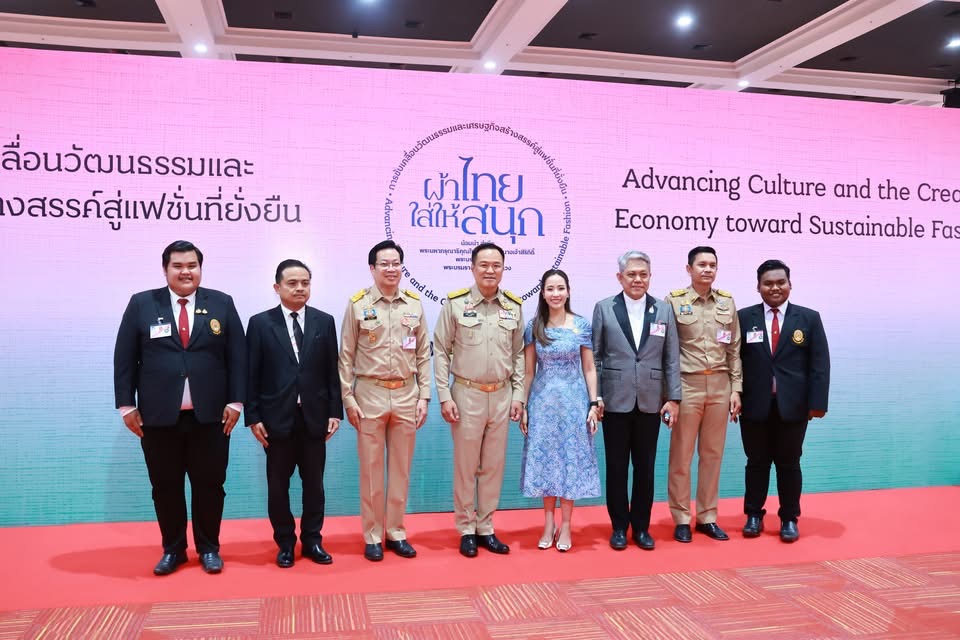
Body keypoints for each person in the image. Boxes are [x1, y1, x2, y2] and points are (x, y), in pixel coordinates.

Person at [114, 240, 245, 576]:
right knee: (165, 486)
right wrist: (126, 405)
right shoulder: (142, 304)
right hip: (159, 417)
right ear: (165, 269)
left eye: (192, 265)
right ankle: (173, 550)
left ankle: (209, 548)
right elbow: (125, 358)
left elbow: (238, 357)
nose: (186, 272)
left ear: (200, 268)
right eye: (178, 266)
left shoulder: (222, 303)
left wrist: (236, 401)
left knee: (210, 485)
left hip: (211, 416)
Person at [245, 259, 342, 568]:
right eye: (292, 283)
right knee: (278, 486)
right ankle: (285, 542)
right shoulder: (260, 323)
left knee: (315, 485)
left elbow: (332, 371)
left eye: (305, 283)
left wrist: (335, 411)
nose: (300, 288)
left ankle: (312, 540)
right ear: (277, 287)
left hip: (314, 417)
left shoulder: (324, 321)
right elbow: (251, 374)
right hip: (276, 420)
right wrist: (253, 417)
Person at [339, 240, 431, 562]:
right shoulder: (358, 305)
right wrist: (348, 398)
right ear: (372, 268)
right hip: (370, 393)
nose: (391, 269)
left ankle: (396, 531)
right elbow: (346, 355)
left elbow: (423, 354)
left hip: (407, 393)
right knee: (371, 470)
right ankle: (373, 535)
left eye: (396, 263)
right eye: (384, 264)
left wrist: (424, 396)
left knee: (401, 469)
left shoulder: (414, 304)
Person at [434, 242, 525, 558]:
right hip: (467, 394)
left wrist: (518, 395)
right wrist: (444, 395)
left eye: (496, 265)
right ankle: (466, 529)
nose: (490, 270)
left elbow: (518, 354)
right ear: (472, 268)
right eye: (484, 265)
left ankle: (485, 527)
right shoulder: (455, 304)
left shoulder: (513, 306)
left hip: (501, 395)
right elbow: (441, 351)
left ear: (503, 269)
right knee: (466, 466)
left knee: (493, 467)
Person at [593, 251, 681, 551]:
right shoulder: (604, 308)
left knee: (645, 468)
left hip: (650, 401)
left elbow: (671, 358)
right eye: (631, 274)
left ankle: (641, 527)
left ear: (650, 276)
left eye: (643, 274)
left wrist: (673, 398)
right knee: (617, 468)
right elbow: (595, 357)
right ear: (620, 277)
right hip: (614, 401)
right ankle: (619, 526)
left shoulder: (664, 310)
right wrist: (596, 397)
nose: (637, 279)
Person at [737, 259, 830, 542]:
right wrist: (734, 394)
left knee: (789, 463)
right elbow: (734, 361)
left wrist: (817, 403)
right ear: (758, 287)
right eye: (768, 283)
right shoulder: (743, 318)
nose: (775, 288)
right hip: (754, 404)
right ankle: (754, 515)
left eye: (780, 282)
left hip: (794, 406)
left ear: (790, 284)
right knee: (756, 462)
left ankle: (789, 518)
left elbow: (819, 364)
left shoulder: (809, 318)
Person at [519, 269, 601, 552]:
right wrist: (524, 405)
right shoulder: (534, 326)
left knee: (569, 462)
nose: (555, 294)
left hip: (573, 404)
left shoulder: (581, 325)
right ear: (543, 293)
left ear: (568, 291)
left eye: (560, 288)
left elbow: (589, 368)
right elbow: (528, 371)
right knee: (546, 462)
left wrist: (593, 403)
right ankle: (548, 524)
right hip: (542, 403)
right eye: (550, 289)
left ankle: (566, 525)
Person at [665, 246, 742, 543]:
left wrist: (736, 389)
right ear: (689, 269)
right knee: (681, 456)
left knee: (712, 455)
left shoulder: (726, 301)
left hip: (721, 385)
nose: (707, 269)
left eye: (712, 265)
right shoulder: (674, 302)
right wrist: (670, 394)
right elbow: (667, 351)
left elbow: (734, 349)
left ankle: (707, 517)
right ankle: (681, 518)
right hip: (687, 385)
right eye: (702, 265)